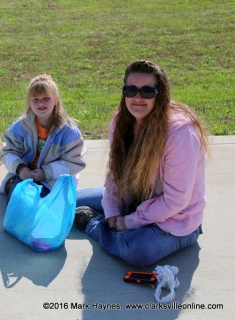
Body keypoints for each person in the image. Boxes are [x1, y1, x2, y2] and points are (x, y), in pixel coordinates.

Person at [74, 60, 209, 267]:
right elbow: (115, 174)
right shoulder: (120, 122)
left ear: (159, 94)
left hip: (175, 220)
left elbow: (176, 201)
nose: (137, 98)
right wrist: (111, 210)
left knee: (137, 250)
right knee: (69, 201)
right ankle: (103, 221)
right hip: (133, 199)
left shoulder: (180, 134)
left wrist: (127, 222)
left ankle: (92, 224)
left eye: (147, 91)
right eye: (131, 90)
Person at [0, 74, 87, 201]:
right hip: (26, 176)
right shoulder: (21, 126)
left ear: (56, 100)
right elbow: (6, 152)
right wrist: (20, 168)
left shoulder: (69, 132)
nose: (41, 103)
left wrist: (45, 173)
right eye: (35, 99)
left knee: (40, 205)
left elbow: (74, 162)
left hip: (54, 181)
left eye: (46, 98)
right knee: (18, 200)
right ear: (29, 102)